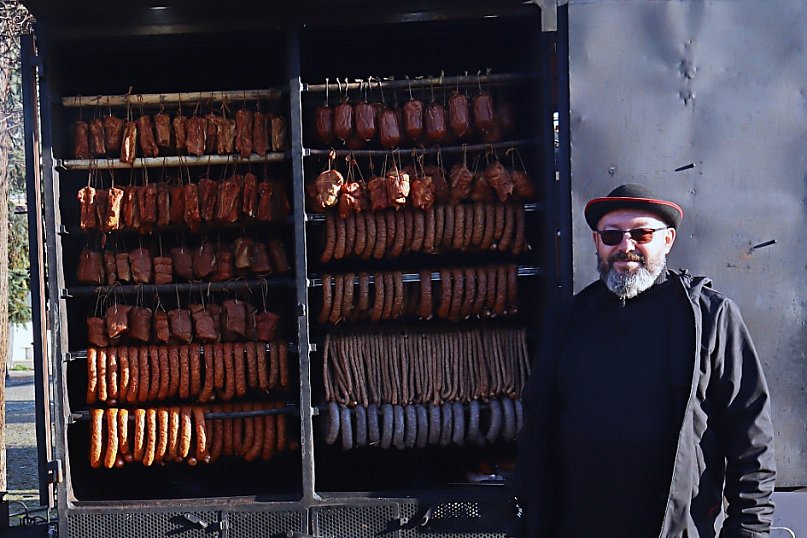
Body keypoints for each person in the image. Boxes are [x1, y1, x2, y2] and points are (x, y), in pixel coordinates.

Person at [512, 184, 776, 537]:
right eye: (612, 235)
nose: (626, 245)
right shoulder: (567, 321)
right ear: (596, 242)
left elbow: (751, 432)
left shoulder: (710, 318)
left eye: (642, 233)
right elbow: (536, 434)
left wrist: (749, 528)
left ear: (667, 241)